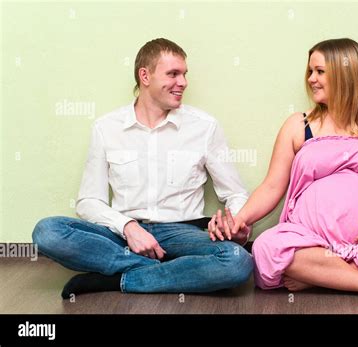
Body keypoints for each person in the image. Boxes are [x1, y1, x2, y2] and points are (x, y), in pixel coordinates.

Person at [209, 38, 358, 299]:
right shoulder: (299, 125)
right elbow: (272, 186)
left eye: (320, 71)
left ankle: (324, 277)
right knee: (266, 246)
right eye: (310, 71)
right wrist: (240, 220)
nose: (311, 78)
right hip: (310, 242)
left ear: (346, 74)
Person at [32, 38, 253, 299]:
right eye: (173, 74)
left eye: (184, 74)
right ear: (145, 76)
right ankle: (171, 273)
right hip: (122, 234)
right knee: (47, 231)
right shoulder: (106, 128)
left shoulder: (204, 127)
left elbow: (235, 194)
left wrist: (235, 222)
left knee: (238, 261)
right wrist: (128, 227)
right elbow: (89, 201)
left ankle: (118, 280)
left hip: (182, 234)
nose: (183, 82)